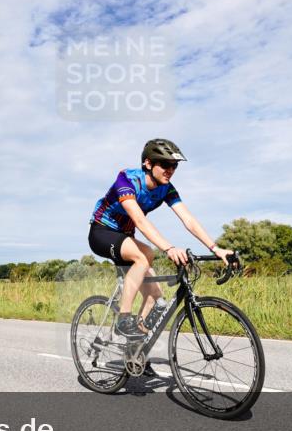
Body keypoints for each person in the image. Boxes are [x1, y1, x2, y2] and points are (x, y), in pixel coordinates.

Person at [89, 139, 233, 338]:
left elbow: (188, 219)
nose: (170, 170)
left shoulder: (166, 188)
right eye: (165, 164)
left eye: (174, 166)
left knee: (155, 299)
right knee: (145, 255)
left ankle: (134, 353)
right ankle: (123, 319)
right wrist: (169, 248)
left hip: (126, 238)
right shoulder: (127, 180)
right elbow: (139, 220)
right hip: (102, 232)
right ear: (148, 163)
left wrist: (215, 248)